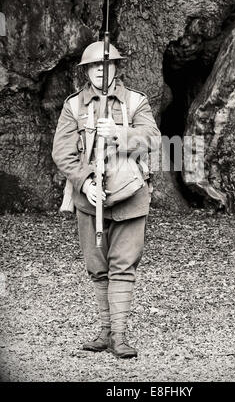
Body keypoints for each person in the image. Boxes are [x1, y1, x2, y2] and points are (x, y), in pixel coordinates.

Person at [52, 41, 161, 358]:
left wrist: (118, 132)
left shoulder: (136, 102)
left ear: (117, 67)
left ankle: (121, 338)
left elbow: (152, 139)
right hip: (90, 200)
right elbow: (63, 153)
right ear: (86, 71)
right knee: (97, 268)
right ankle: (105, 333)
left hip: (130, 196)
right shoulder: (73, 106)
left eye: (107, 64)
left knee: (123, 267)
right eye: (95, 65)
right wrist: (84, 183)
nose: (101, 69)